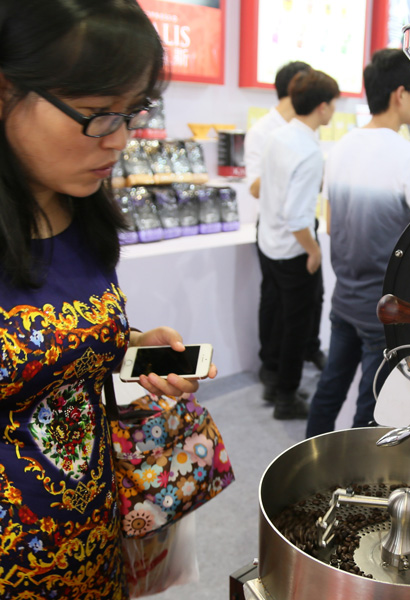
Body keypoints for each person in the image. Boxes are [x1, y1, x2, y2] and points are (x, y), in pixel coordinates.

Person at [0, 1, 215, 597]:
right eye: (97, 115)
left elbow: (56, 341)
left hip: (94, 534)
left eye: (132, 112)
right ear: (5, 90)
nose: (119, 140)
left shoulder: (80, 210)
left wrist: (133, 345)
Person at [305, 49, 410, 438]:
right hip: (386, 309)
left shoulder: (340, 148)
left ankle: (305, 461)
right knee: (372, 404)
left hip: (344, 299)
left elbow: (331, 226)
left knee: (330, 387)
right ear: (400, 93)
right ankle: (348, 484)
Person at [257, 69, 340, 420]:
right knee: (297, 324)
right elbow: (297, 218)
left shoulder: (279, 136)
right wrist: (314, 250)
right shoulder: (309, 152)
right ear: (322, 107)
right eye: (334, 103)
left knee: (275, 313)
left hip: (268, 241)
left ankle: (274, 380)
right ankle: (287, 397)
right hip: (293, 248)